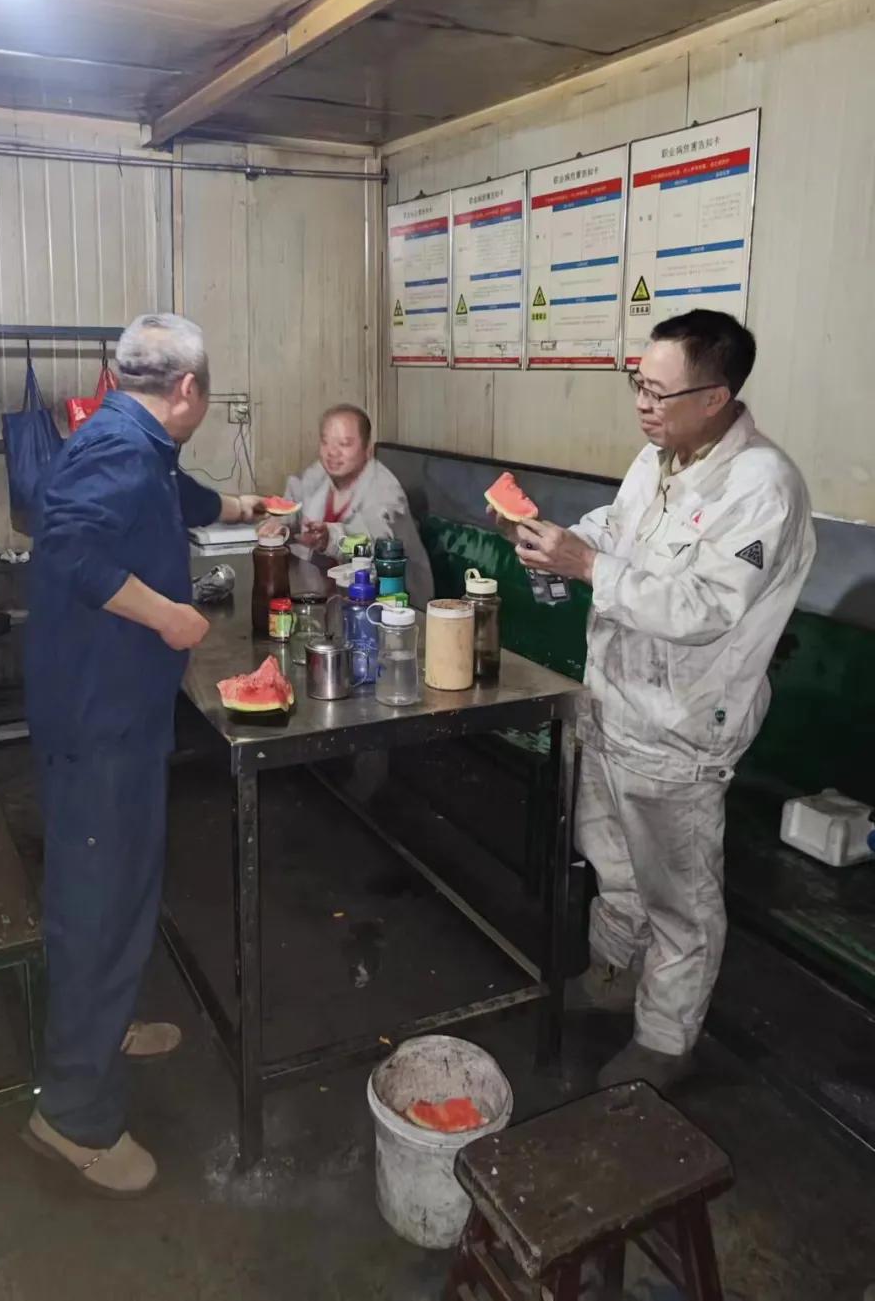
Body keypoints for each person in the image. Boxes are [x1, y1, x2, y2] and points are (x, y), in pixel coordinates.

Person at [508, 309, 815, 1088]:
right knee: (612, 859)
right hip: (613, 702)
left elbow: (704, 607)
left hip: (681, 726)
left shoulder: (763, 489)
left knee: (680, 897)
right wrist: (559, 540)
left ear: (715, 397)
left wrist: (587, 568)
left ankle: (667, 1038)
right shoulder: (658, 458)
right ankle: (613, 974)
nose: (642, 404)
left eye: (658, 392)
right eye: (637, 384)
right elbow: (617, 528)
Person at [22, 313, 262, 1196]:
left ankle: (105, 1022)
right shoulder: (120, 449)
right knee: (95, 902)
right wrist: (170, 617)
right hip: (99, 726)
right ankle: (72, 1116)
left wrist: (242, 508)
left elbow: (172, 495)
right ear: (188, 389)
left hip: (116, 714)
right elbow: (70, 548)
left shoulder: (133, 437)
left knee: (122, 892)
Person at [271, 404, 434, 605]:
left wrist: (329, 538)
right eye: (325, 442)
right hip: (330, 595)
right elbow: (294, 502)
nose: (332, 452)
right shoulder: (319, 473)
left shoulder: (386, 491)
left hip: (393, 605)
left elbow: (374, 539)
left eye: (344, 444)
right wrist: (280, 522)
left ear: (368, 450)